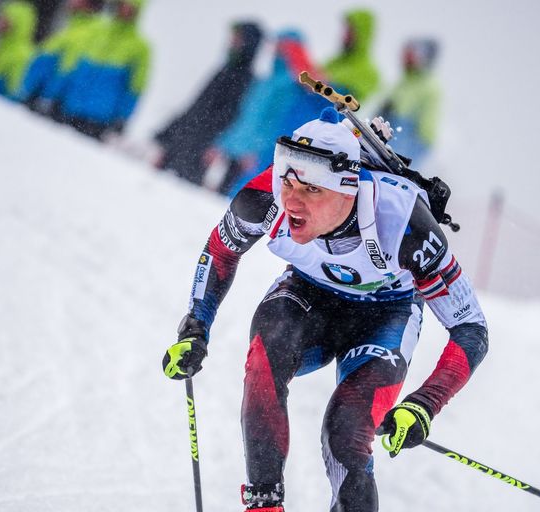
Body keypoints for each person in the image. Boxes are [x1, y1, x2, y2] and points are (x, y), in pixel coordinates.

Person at [162, 107, 488, 512]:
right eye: (288, 181)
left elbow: (471, 327)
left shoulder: (405, 222)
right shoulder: (265, 198)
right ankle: (264, 504)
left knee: (346, 432)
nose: (293, 201)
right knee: (266, 358)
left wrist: (425, 403)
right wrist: (195, 326)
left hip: (386, 313)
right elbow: (220, 252)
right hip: (308, 295)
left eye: (313, 190)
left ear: (349, 189)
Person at [209, 29, 327, 196]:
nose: (276, 50)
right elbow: (247, 118)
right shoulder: (267, 80)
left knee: (236, 201)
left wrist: (256, 151)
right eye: (276, 45)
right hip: (237, 153)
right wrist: (225, 145)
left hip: (254, 158)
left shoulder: (291, 86)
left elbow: (275, 123)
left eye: (283, 46)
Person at [152, 21, 263, 185]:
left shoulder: (245, 79)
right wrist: (167, 135)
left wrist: (216, 146)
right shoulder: (224, 69)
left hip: (200, 150)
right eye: (233, 38)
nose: (232, 42)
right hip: (182, 141)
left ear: (249, 43)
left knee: (178, 194)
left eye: (238, 39)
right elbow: (195, 107)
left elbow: (230, 117)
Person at [58, 0, 150, 139]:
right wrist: (57, 92)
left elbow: (135, 87)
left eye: (129, 7)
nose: (123, 10)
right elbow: (73, 66)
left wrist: (122, 117)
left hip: (99, 118)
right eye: (121, 5)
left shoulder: (140, 48)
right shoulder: (97, 32)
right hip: (70, 106)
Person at [20, 0, 106, 119]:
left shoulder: (87, 31)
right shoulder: (74, 26)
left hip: (49, 100)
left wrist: (49, 95)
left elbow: (67, 68)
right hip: (38, 92)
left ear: (89, 5)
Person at [378, 38, 441, 168]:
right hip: (386, 140)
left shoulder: (429, 87)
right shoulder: (402, 83)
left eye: (412, 54)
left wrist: (410, 157)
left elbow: (426, 132)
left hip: (405, 145)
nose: (407, 57)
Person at [324, 9, 381, 103]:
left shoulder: (368, 73)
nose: (345, 34)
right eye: (345, 29)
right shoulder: (333, 63)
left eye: (350, 30)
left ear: (362, 34)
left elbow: (349, 106)